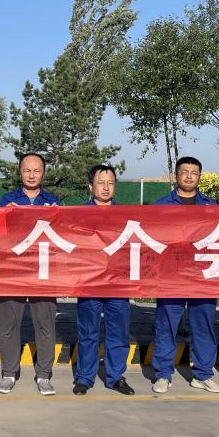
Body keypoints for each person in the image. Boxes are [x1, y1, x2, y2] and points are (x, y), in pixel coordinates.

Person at [151, 157, 219, 394]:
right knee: (166, 326)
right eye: (185, 171)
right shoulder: (161, 206)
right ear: (176, 175)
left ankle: (203, 374)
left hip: (202, 276)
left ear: (199, 176)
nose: (189, 176)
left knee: (203, 326)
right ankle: (163, 374)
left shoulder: (211, 206)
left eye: (194, 172)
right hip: (171, 276)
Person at [0, 152, 61, 396]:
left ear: (43, 173)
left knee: (45, 325)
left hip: (43, 272)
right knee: (9, 325)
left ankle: (44, 375)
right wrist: (5, 215)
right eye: (27, 170)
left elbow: (63, 235)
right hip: (13, 271)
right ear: (20, 172)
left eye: (36, 170)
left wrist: (59, 216)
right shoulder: (7, 200)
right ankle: (8, 373)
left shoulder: (53, 202)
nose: (31, 175)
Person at [73, 164, 135, 396]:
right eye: (101, 183)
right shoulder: (78, 215)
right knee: (88, 332)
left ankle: (116, 376)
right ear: (91, 186)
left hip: (118, 283)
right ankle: (84, 378)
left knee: (118, 332)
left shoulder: (126, 216)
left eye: (110, 183)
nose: (106, 187)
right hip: (89, 282)